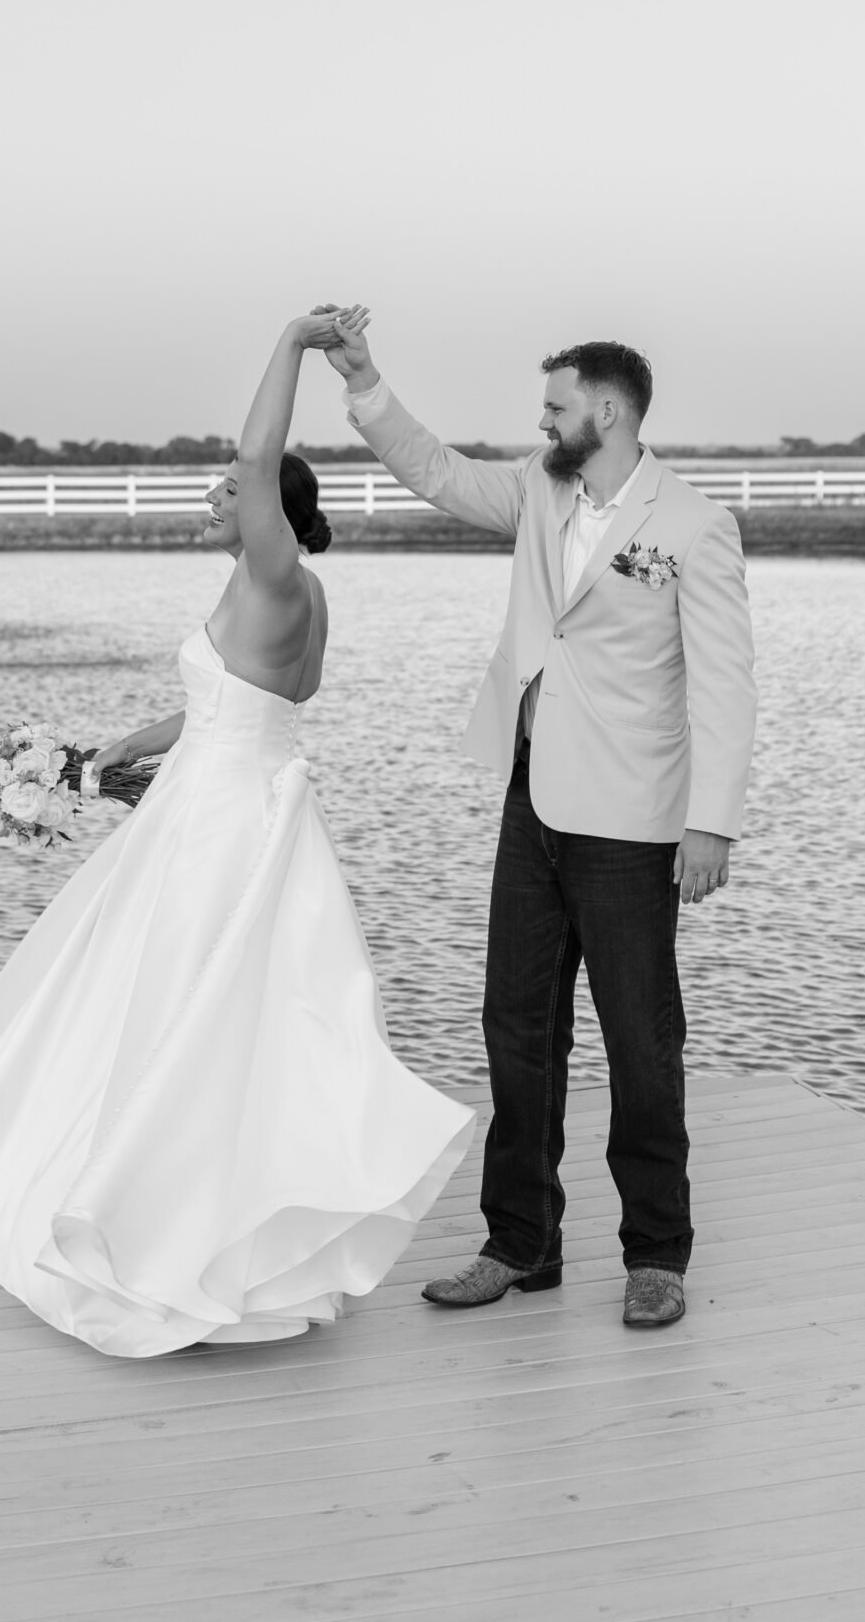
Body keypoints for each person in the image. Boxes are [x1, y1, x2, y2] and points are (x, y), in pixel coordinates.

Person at [0, 313, 474, 1357]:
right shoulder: (293, 599)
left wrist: (295, 343)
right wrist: (101, 760)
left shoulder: (272, 575)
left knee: (176, 1019)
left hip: (219, 828)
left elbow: (258, 455)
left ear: (271, 515)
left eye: (230, 491)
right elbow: (235, 704)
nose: (218, 494)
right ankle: (222, 1239)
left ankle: (151, 1247)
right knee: (215, 1027)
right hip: (232, 802)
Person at [316, 307, 756, 1331]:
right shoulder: (536, 491)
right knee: (516, 1030)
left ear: (607, 409)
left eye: (555, 404)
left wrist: (712, 823)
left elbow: (725, 690)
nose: (542, 419)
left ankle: (656, 1254)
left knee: (641, 1043)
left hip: (635, 821)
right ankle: (520, 1243)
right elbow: (434, 470)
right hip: (532, 802)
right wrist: (367, 379)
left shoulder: (693, 526)